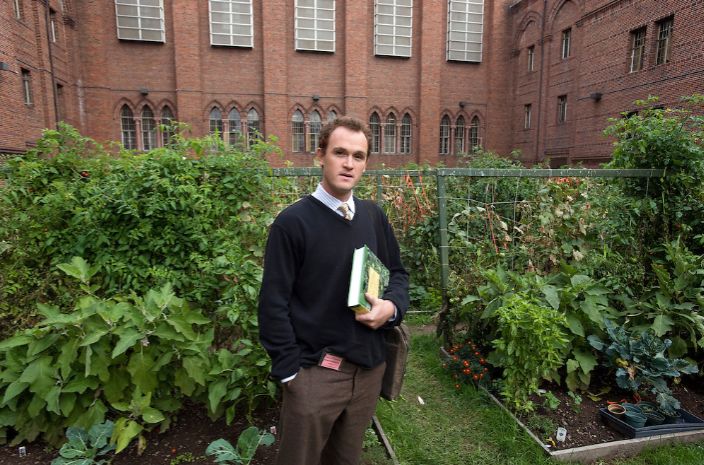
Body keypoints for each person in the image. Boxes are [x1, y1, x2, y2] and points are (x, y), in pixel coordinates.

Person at [258, 116, 409, 465]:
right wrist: (291, 374)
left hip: (369, 371)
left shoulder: (373, 217)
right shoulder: (292, 223)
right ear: (320, 155)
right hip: (315, 376)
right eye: (340, 153)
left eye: (358, 156)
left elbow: (398, 274)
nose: (349, 163)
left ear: (366, 164)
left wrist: (391, 308)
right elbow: (273, 304)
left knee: (345, 460)